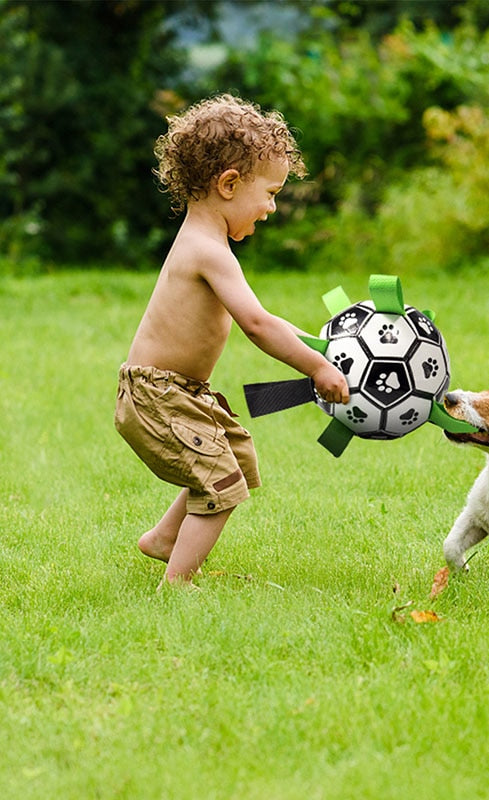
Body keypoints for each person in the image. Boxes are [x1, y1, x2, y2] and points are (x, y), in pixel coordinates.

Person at [115, 94, 349, 588]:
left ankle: (162, 539)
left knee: (236, 455)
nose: (272, 206)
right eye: (270, 192)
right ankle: (177, 585)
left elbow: (266, 318)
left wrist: (323, 348)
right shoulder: (208, 250)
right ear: (228, 184)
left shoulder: (206, 242)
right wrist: (316, 370)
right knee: (219, 481)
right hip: (158, 394)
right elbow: (257, 328)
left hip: (177, 391)